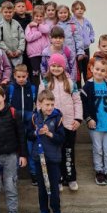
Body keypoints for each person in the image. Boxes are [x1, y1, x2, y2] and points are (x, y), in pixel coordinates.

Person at [39, 53, 82, 192]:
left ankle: (70, 177)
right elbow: (40, 104)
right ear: (49, 66)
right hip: (52, 125)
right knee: (55, 153)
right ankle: (57, 179)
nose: (56, 68)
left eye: (59, 66)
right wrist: (42, 121)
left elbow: (77, 101)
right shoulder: (45, 83)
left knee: (68, 152)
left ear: (63, 67)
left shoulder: (70, 82)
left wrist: (78, 118)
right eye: (53, 65)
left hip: (69, 123)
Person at [80, 59, 107, 186]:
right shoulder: (87, 87)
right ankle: (99, 172)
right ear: (92, 69)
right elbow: (83, 105)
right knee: (98, 149)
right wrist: (88, 119)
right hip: (96, 125)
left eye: (102, 70)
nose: (99, 72)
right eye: (97, 69)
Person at [30, 90, 66, 213]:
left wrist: (50, 134)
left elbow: (62, 138)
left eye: (52, 104)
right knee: (42, 188)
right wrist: (36, 132)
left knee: (54, 188)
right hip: (40, 158)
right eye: (47, 105)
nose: (49, 107)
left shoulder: (58, 118)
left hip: (53, 159)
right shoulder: (35, 117)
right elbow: (28, 135)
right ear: (40, 104)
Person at [7, 64, 38, 184]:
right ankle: (13, 175)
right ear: (14, 76)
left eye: (23, 76)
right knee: (15, 150)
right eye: (18, 76)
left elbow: (37, 105)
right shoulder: (10, 89)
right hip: (15, 124)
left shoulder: (33, 88)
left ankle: (34, 173)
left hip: (29, 124)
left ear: (27, 76)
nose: (21, 79)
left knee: (30, 149)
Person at [56, 5, 86, 85]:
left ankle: (74, 87)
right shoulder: (56, 26)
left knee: (74, 72)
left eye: (65, 12)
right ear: (57, 14)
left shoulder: (73, 25)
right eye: (61, 13)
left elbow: (79, 40)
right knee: (62, 71)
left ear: (68, 13)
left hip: (72, 54)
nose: (63, 15)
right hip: (60, 54)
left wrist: (80, 52)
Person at [24, 5, 50, 85]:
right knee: (35, 72)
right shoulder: (29, 26)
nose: (38, 18)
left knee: (45, 71)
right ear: (33, 16)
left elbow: (46, 30)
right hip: (34, 54)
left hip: (45, 53)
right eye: (36, 16)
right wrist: (39, 33)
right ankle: (36, 88)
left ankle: (46, 88)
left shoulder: (45, 25)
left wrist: (37, 25)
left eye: (41, 16)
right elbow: (28, 38)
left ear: (44, 16)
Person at [72, 0, 95, 87]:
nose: (80, 10)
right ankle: (78, 88)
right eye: (77, 9)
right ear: (73, 10)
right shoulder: (72, 21)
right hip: (76, 49)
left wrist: (91, 39)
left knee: (86, 68)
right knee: (78, 69)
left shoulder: (87, 22)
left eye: (81, 8)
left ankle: (87, 86)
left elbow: (92, 32)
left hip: (86, 49)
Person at [0, 1, 25, 67]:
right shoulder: (0, 25)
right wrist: (7, 51)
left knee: (18, 72)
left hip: (18, 54)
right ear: (1, 12)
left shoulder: (17, 24)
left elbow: (22, 37)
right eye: (6, 12)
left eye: (10, 12)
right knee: (8, 72)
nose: (8, 14)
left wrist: (20, 50)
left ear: (13, 12)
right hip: (6, 54)